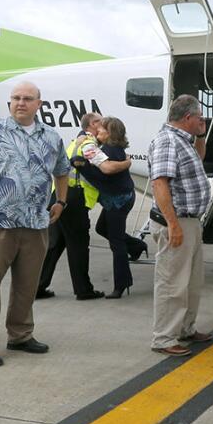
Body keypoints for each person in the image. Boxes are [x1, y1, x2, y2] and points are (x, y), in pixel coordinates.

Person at [0, 82, 71, 367]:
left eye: (27, 98)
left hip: (35, 223)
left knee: (27, 285)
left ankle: (20, 335)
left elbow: (62, 171)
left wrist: (61, 201)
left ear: (39, 104)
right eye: (16, 98)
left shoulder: (51, 137)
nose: (21, 102)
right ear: (10, 103)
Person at [146, 95, 213, 356]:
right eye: (199, 117)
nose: (203, 120)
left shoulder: (184, 141)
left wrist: (201, 135)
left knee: (192, 282)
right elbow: (160, 183)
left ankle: (185, 328)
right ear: (188, 118)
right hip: (176, 222)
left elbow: (198, 157)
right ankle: (164, 338)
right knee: (172, 283)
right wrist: (173, 225)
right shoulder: (167, 141)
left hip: (191, 222)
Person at [37, 112, 105, 301]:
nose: (104, 125)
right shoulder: (87, 142)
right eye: (101, 121)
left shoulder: (78, 140)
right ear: (93, 124)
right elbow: (102, 167)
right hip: (72, 198)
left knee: (55, 244)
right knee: (79, 244)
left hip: (59, 196)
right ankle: (83, 289)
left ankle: (38, 286)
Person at [74, 116, 142, 298]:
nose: (98, 132)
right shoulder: (110, 148)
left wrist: (81, 165)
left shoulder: (111, 151)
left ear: (110, 133)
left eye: (102, 130)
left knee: (116, 242)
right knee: (102, 228)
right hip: (119, 199)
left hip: (118, 201)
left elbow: (104, 172)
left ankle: (122, 284)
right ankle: (137, 246)